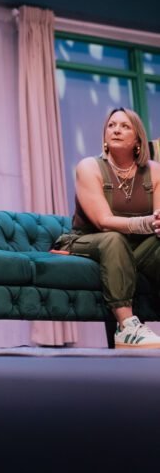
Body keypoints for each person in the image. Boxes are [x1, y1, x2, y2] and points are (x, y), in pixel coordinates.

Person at [54, 107, 160, 348]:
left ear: (138, 140)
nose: (116, 130)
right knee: (114, 238)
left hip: (134, 247)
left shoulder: (154, 170)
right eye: (111, 125)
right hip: (88, 240)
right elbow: (103, 221)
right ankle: (126, 327)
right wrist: (147, 222)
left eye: (124, 126)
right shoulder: (89, 167)